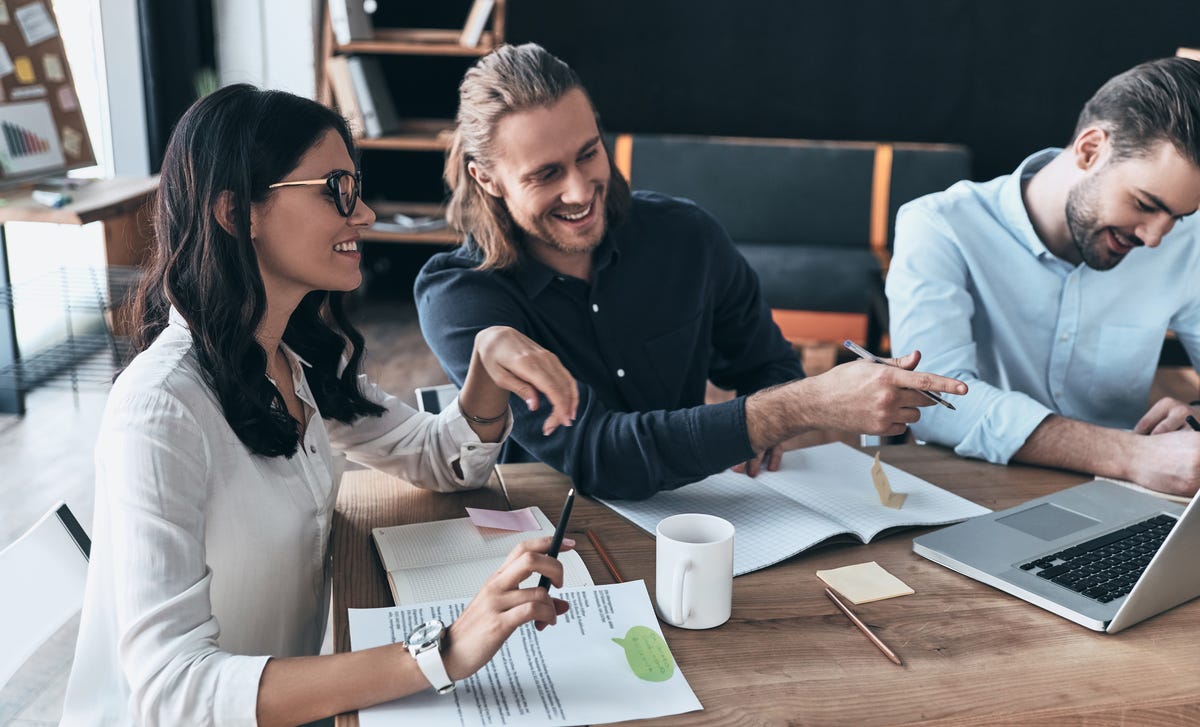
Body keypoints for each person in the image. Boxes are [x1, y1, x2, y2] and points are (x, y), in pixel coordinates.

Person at [60, 84, 583, 726]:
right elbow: (174, 693)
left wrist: (487, 357)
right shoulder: (160, 407)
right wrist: (439, 652)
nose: (363, 213)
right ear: (236, 212)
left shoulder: (298, 358)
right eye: (337, 188)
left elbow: (447, 461)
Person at [415, 43, 966, 500]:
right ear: (487, 180)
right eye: (546, 174)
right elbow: (599, 455)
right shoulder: (461, 296)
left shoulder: (687, 236)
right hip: (546, 538)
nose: (581, 191)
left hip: (700, 516)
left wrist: (775, 403)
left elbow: (767, 364)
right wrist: (798, 407)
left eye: (589, 153)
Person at [887, 57, 1200, 497]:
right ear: (1091, 150)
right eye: (1145, 204)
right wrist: (1130, 455)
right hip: (964, 491)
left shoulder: (1185, 243)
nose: (1155, 238)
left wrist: (1196, 416)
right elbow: (935, 401)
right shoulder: (939, 225)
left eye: (1179, 216)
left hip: (1123, 500)